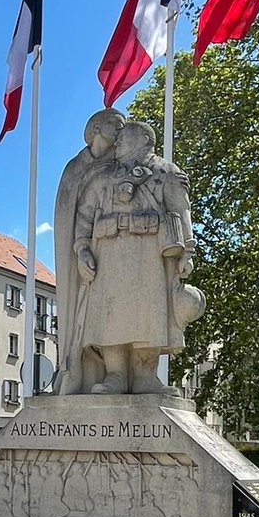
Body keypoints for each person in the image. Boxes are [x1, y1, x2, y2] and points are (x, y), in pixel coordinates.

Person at [69, 120, 205, 394]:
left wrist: (187, 253)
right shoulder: (103, 178)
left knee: (149, 314)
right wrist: (82, 249)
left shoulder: (167, 173)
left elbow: (182, 211)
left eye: (124, 138)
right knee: (110, 315)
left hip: (149, 258)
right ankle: (115, 376)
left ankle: (145, 377)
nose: (116, 143)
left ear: (143, 139)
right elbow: (84, 217)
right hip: (107, 256)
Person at [54, 108, 125, 394]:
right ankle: (75, 371)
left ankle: (117, 374)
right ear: (97, 128)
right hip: (82, 256)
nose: (122, 133)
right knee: (82, 315)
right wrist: (80, 249)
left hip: (113, 255)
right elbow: (66, 217)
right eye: (117, 126)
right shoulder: (74, 168)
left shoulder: (121, 167)